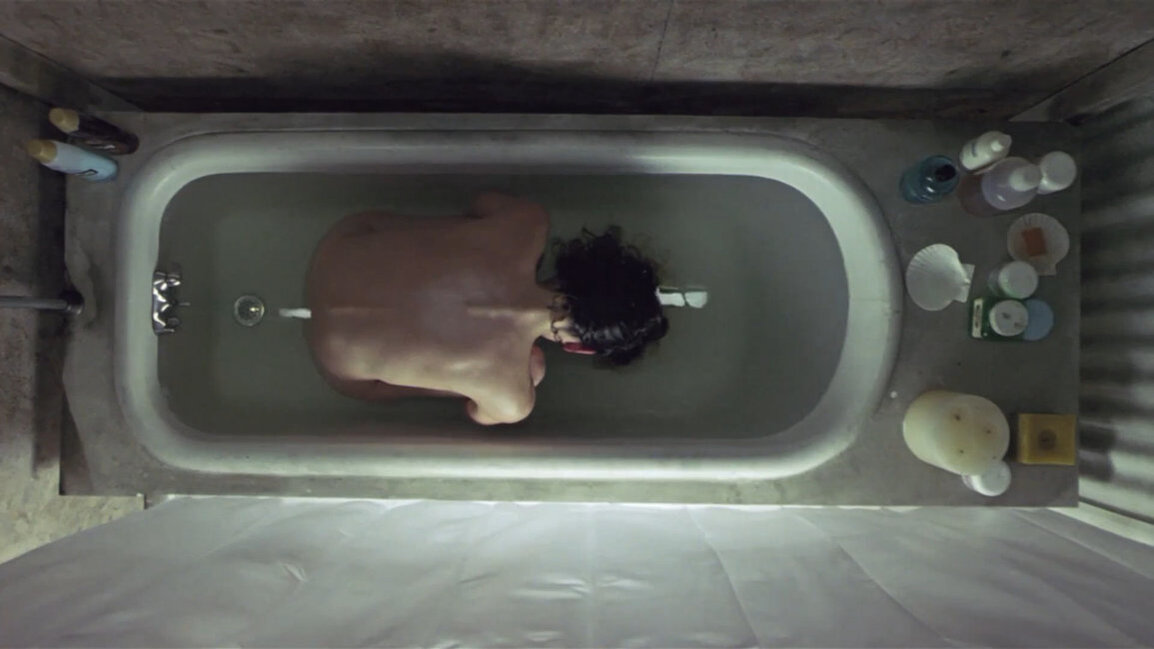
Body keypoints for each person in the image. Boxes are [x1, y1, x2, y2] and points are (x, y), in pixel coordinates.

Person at [305, 192, 669, 425]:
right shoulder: (513, 400)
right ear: (580, 347)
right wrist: (524, 375)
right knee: (522, 372)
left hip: (337, 248)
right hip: (332, 354)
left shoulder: (527, 221)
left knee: (461, 232)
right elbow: (476, 412)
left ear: (581, 261)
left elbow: (479, 205)